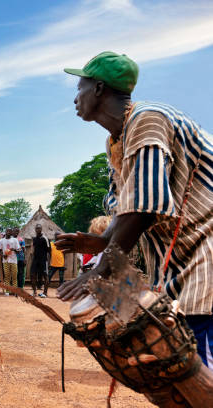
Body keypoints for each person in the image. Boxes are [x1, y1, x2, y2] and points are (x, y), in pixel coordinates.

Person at [57, 51, 213, 371]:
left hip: (205, 257)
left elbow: (143, 209)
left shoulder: (148, 120)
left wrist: (96, 273)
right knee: (174, 362)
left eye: (80, 87)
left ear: (99, 89)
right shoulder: (117, 139)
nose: (76, 97)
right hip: (181, 260)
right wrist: (97, 243)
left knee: (198, 367)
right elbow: (126, 210)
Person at [30, 224, 50, 298]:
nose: (38, 229)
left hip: (43, 260)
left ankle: (45, 293)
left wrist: (48, 261)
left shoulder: (45, 238)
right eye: (37, 228)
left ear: (41, 229)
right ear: (35, 229)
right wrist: (32, 257)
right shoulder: (34, 239)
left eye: (39, 228)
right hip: (36, 260)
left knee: (45, 276)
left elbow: (49, 250)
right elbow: (33, 249)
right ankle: (34, 292)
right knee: (32, 275)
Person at [0, 227, 20, 294]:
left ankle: (14, 291)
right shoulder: (1, 240)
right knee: (7, 276)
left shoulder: (15, 240)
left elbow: (19, 250)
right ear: (5, 231)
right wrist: (3, 255)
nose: (9, 232)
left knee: (14, 276)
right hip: (5, 260)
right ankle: (7, 291)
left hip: (13, 260)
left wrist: (14, 250)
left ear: (11, 232)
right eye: (8, 231)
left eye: (10, 231)